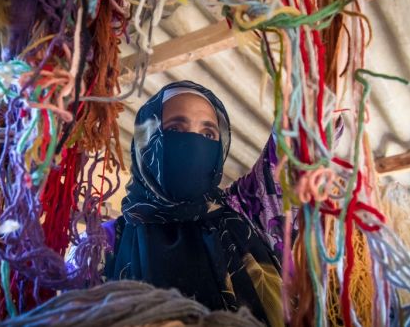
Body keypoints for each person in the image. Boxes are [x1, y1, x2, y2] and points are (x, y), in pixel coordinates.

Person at [102, 80, 287, 327]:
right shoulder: (104, 242)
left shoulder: (245, 209)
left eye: (208, 133)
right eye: (176, 129)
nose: (194, 142)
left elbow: (293, 146)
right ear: (146, 141)